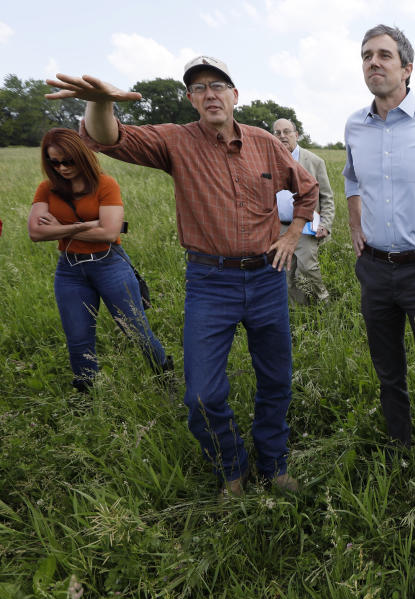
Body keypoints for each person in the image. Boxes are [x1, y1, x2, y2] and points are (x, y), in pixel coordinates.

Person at [45, 55, 320, 497]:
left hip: (268, 277)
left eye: (218, 85)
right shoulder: (176, 141)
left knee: (276, 378)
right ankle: (232, 468)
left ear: (235, 95)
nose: (210, 93)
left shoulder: (265, 142)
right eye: (199, 88)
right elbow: (109, 137)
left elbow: (307, 189)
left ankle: (274, 466)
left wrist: (290, 237)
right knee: (201, 396)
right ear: (191, 99)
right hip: (211, 282)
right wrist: (100, 103)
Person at [343, 25, 415, 451]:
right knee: (387, 368)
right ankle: (399, 442)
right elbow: (352, 178)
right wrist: (356, 225)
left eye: (383, 55)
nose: (372, 62)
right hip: (375, 269)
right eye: (365, 55)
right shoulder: (355, 126)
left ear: (407, 68)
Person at [27, 128, 171, 393]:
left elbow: (109, 232)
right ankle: (87, 397)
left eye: (67, 160)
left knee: (137, 331)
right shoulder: (47, 188)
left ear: (81, 155)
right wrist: (79, 226)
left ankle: (166, 380)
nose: (61, 167)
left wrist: (59, 227)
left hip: (110, 264)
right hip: (69, 270)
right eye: (54, 162)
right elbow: (36, 232)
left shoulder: (106, 184)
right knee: (78, 339)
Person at [272, 118, 336, 305]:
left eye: (286, 132)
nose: (282, 136)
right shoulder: (269, 160)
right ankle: (301, 311)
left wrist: (325, 224)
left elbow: (327, 197)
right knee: (286, 274)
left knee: (308, 268)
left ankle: (324, 303)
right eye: (277, 132)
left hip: (306, 226)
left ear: (296, 135)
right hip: (279, 228)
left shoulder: (314, 161)